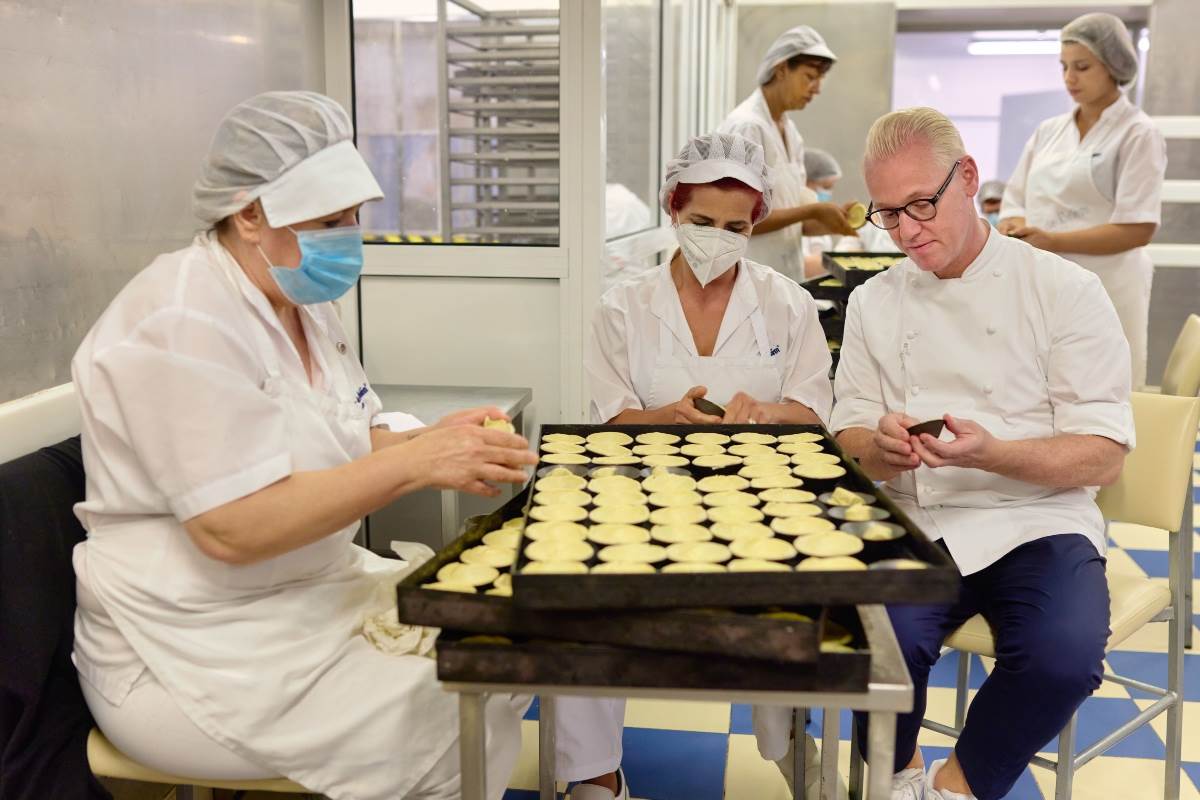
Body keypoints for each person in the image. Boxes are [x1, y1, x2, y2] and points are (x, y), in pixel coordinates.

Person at [71, 91, 542, 800]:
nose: (346, 238)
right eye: (328, 221)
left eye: (352, 218)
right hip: (194, 647)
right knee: (454, 694)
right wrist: (414, 465)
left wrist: (434, 440)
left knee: (502, 648)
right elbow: (235, 528)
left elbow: (345, 427)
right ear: (250, 213)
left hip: (309, 598)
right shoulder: (180, 320)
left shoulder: (299, 302)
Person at [833, 107, 1132, 800]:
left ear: (967, 178)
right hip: (917, 516)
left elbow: (1102, 456)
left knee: (1063, 655)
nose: (906, 231)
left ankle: (955, 787)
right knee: (872, 643)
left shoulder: (1063, 290)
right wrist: (877, 450)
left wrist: (994, 454)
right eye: (887, 213)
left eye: (920, 205)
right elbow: (845, 432)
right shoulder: (875, 300)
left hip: (1036, 519)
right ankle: (896, 773)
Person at [585, 131, 834, 797]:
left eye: (734, 226)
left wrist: (767, 412)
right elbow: (611, 419)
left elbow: (814, 413)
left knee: (796, 606)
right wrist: (665, 416)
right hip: (645, 492)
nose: (716, 239)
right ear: (671, 206)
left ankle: (788, 741)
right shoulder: (623, 305)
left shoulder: (788, 303)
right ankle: (592, 770)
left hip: (759, 497)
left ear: (755, 224)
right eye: (701, 222)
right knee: (581, 596)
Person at [998, 12, 1165, 388]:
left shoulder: (1137, 134)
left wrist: (1054, 241)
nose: (1069, 78)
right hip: (1044, 283)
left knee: (1105, 390)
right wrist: (1011, 223)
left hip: (1110, 286)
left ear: (1113, 66)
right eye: (1064, 67)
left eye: (1082, 67)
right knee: (1042, 387)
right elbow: (1015, 196)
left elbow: (1137, 228)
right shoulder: (1049, 131)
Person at [717, 25, 855, 283]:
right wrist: (812, 211)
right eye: (809, 77)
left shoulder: (789, 131)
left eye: (819, 80)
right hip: (747, 280)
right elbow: (735, 218)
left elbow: (787, 218)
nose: (817, 89)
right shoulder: (747, 126)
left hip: (782, 276)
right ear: (781, 70)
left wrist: (827, 220)